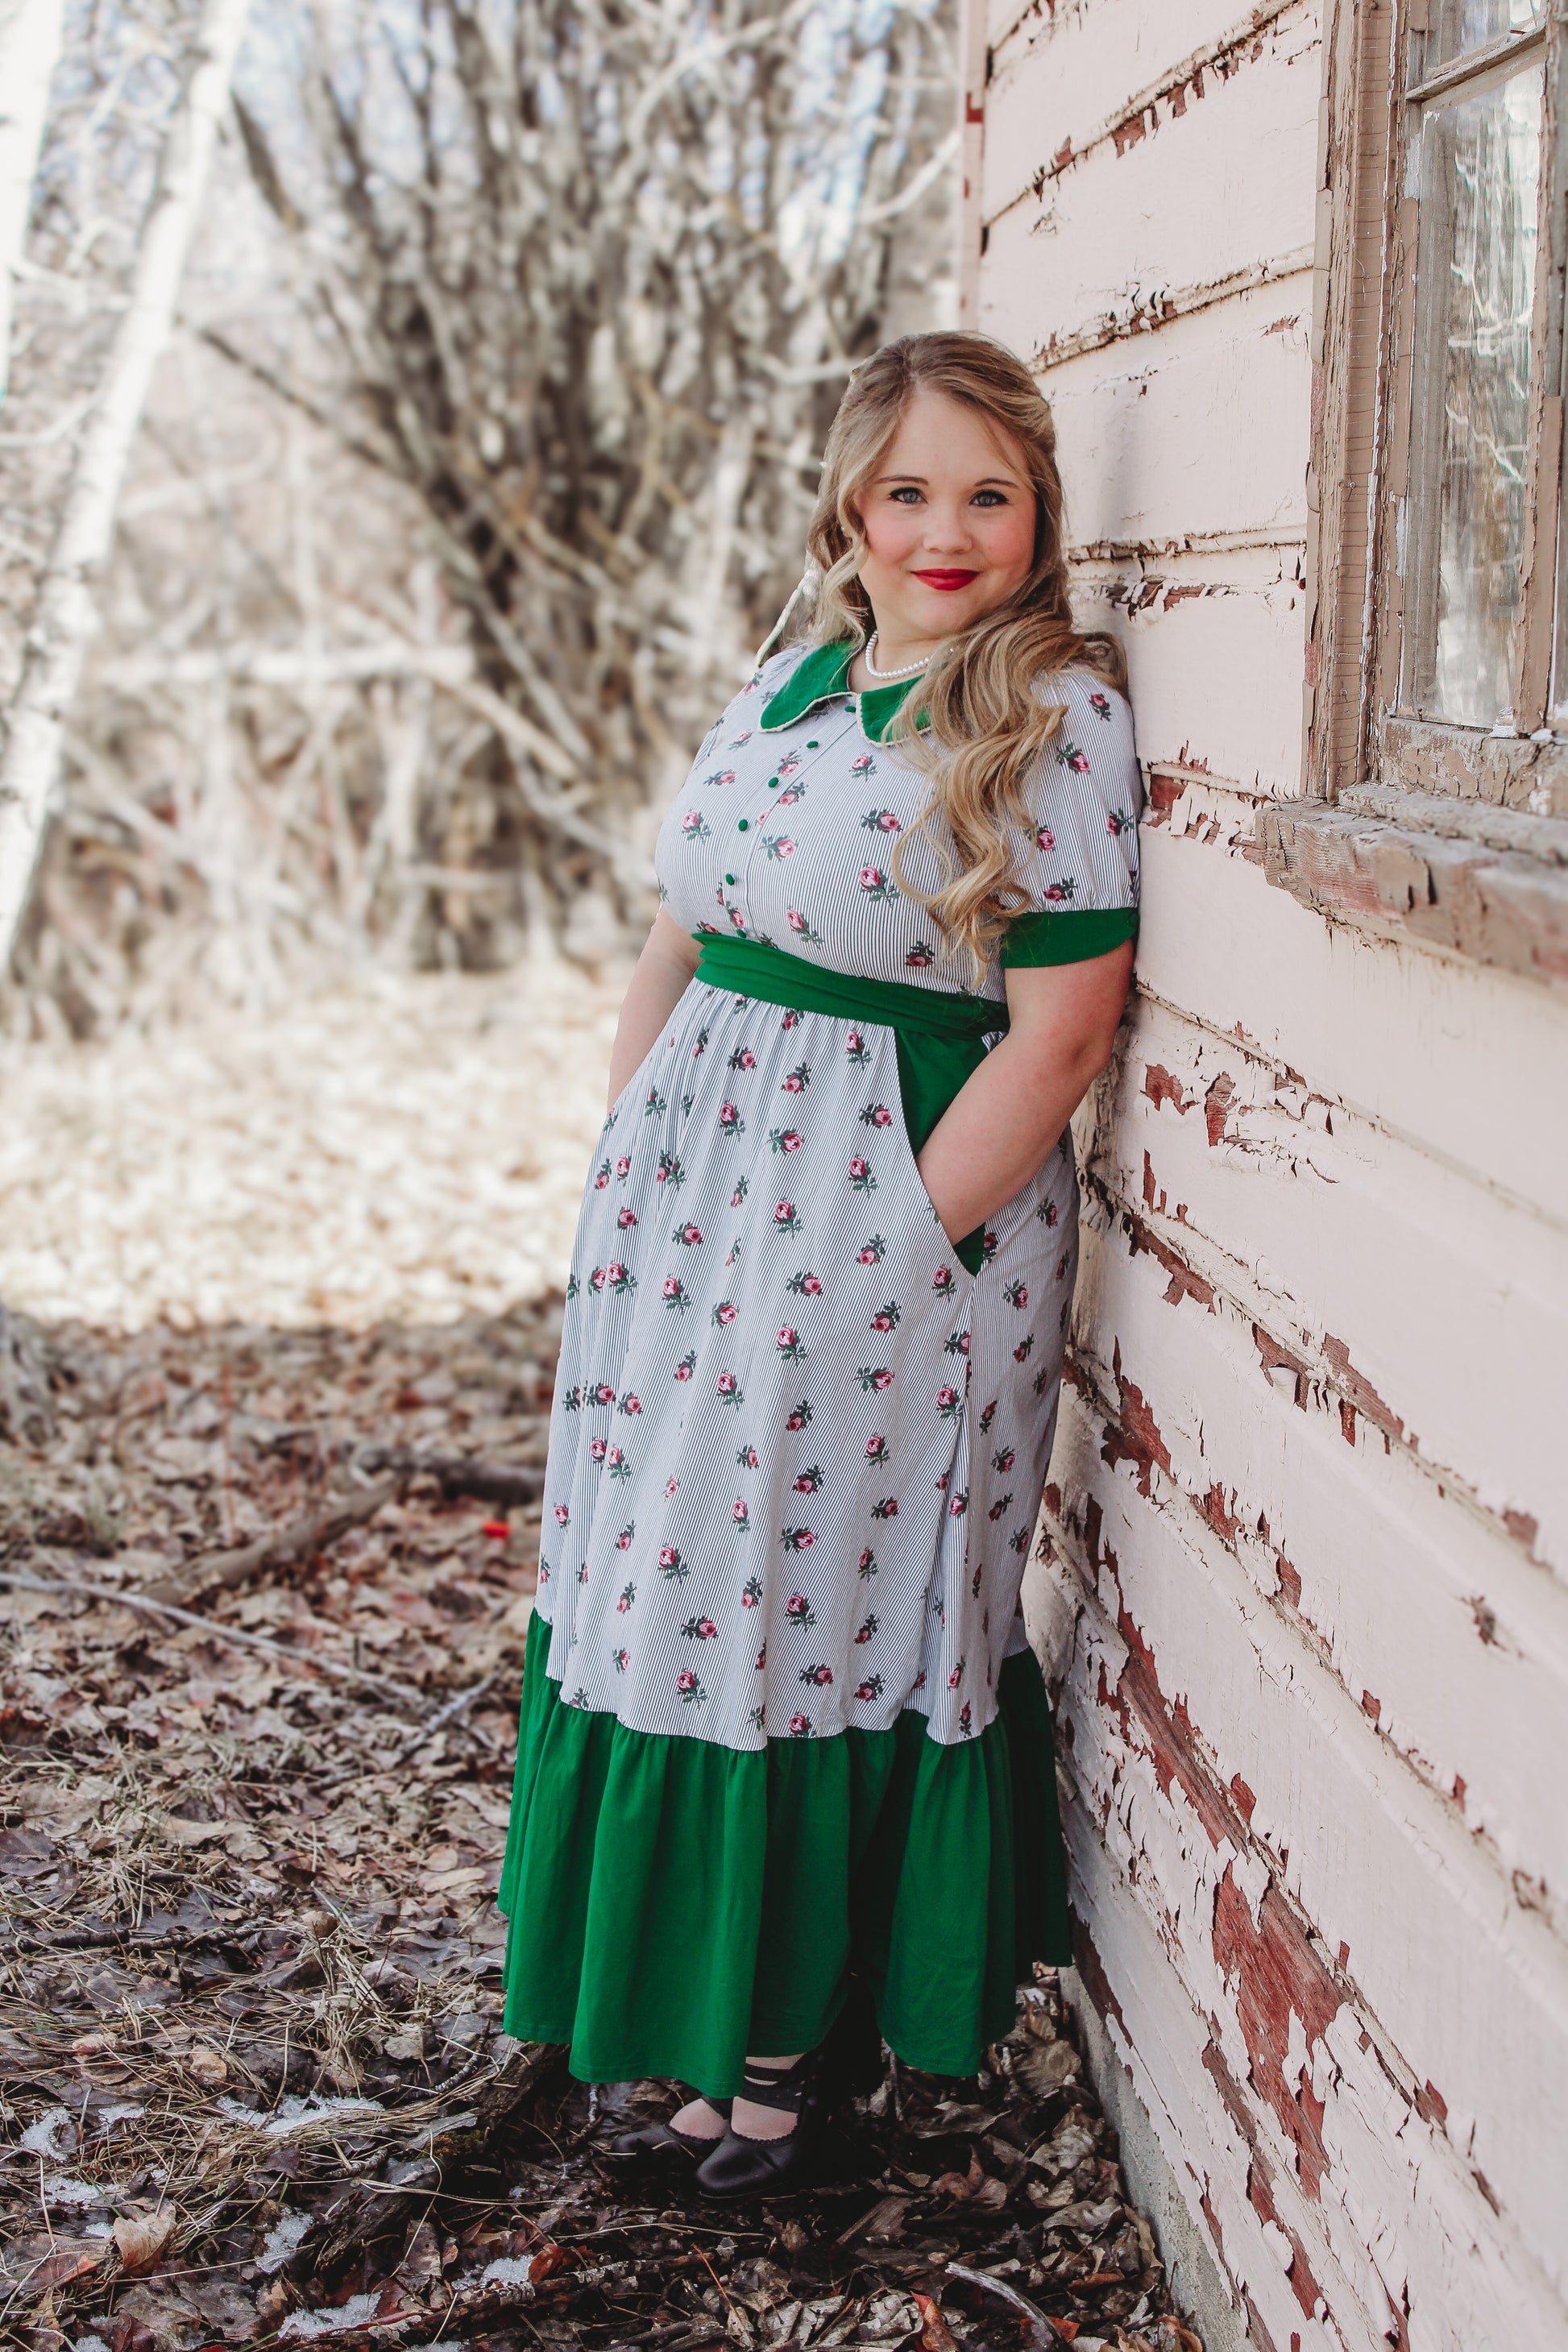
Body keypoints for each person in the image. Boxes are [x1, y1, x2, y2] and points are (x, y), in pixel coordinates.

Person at [497, 330, 1140, 2195]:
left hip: (886, 1228)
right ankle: (691, 2026)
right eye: (908, 492)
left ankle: (793, 2054)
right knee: (666, 1590)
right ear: (850, 511)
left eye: (988, 493)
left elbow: (1060, 1031)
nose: (946, 531)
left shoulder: (1049, 714)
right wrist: (630, 1151)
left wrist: (883, 1250)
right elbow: (678, 935)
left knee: (811, 1607)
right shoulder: (785, 687)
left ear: (1037, 513)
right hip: (686, 1229)